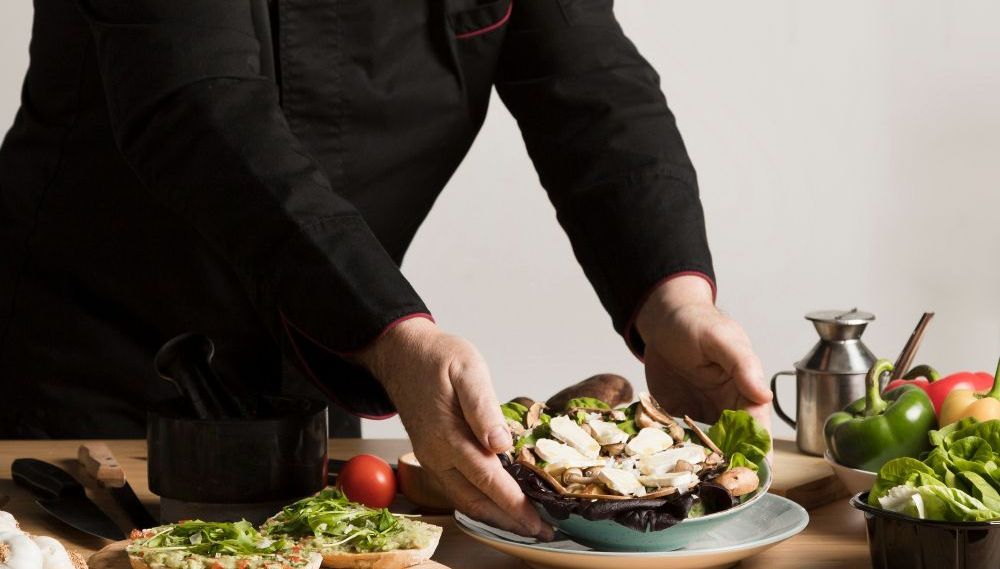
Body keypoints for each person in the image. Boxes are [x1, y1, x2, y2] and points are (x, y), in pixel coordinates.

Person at [0, 0, 771, 537]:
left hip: (320, 353)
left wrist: (673, 300)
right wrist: (389, 330)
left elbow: (593, 90)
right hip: (88, 370)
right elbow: (197, 104)